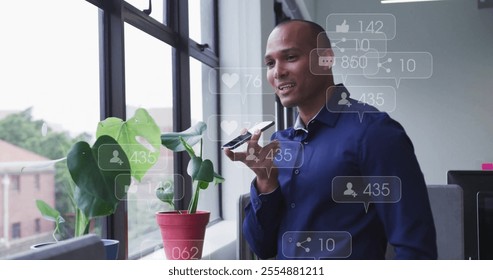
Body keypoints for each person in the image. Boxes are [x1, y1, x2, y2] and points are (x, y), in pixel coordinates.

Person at [224, 19, 437, 259]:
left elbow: (415, 247)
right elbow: (263, 247)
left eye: (291, 57)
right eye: (270, 63)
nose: (278, 72)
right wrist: (265, 182)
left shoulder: (375, 133)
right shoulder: (279, 143)